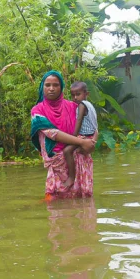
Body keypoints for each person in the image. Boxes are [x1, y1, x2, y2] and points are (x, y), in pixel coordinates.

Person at [30, 71, 95, 200]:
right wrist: (81, 142)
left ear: (61, 88)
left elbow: (90, 124)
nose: (51, 88)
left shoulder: (73, 106)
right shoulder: (37, 111)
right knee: (54, 200)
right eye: (47, 85)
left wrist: (92, 142)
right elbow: (53, 133)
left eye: (56, 85)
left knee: (82, 203)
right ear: (42, 87)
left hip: (78, 159)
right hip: (56, 163)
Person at [62, 82, 98, 179]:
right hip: (90, 135)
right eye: (73, 95)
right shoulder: (90, 105)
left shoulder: (82, 105)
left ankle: (71, 177)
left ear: (86, 94)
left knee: (67, 151)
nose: (75, 98)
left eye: (78, 94)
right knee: (77, 153)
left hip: (85, 136)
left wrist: (73, 138)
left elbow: (79, 121)